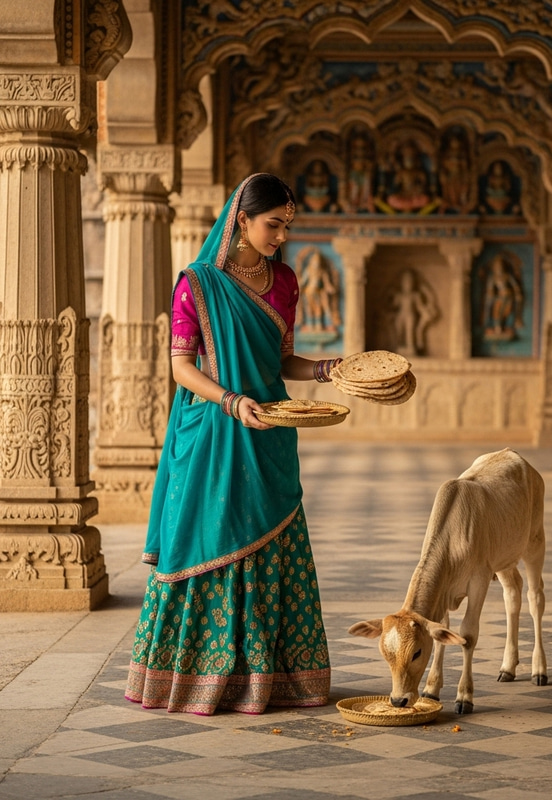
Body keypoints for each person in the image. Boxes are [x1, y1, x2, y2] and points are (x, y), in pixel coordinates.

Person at [125, 173, 342, 715]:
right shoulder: (197, 283)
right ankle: (200, 678)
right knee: (208, 539)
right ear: (241, 219)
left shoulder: (287, 281)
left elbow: (280, 359)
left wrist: (322, 368)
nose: (281, 237)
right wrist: (230, 401)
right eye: (273, 225)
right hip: (217, 430)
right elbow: (180, 367)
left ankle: (270, 680)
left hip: (269, 430)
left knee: (272, 547)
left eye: (287, 227)